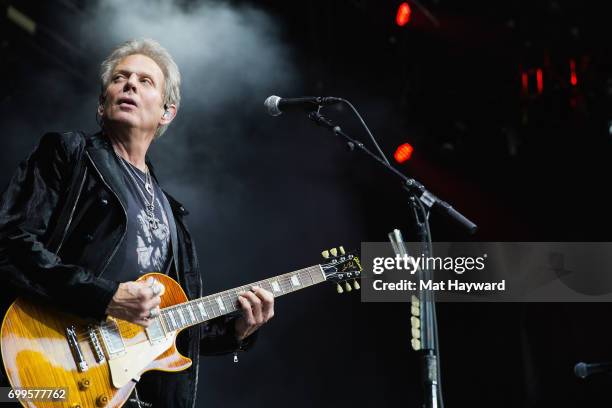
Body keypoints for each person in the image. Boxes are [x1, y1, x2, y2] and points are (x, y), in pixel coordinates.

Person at [0, 38, 274, 407]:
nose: (130, 84)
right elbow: (10, 243)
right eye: (120, 78)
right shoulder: (69, 154)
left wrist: (237, 332)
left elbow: (162, 329)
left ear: (167, 112)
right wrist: (106, 296)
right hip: (42, 359)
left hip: (123, 394)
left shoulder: (172, 215)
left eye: (146, 81)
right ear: (102, 103)